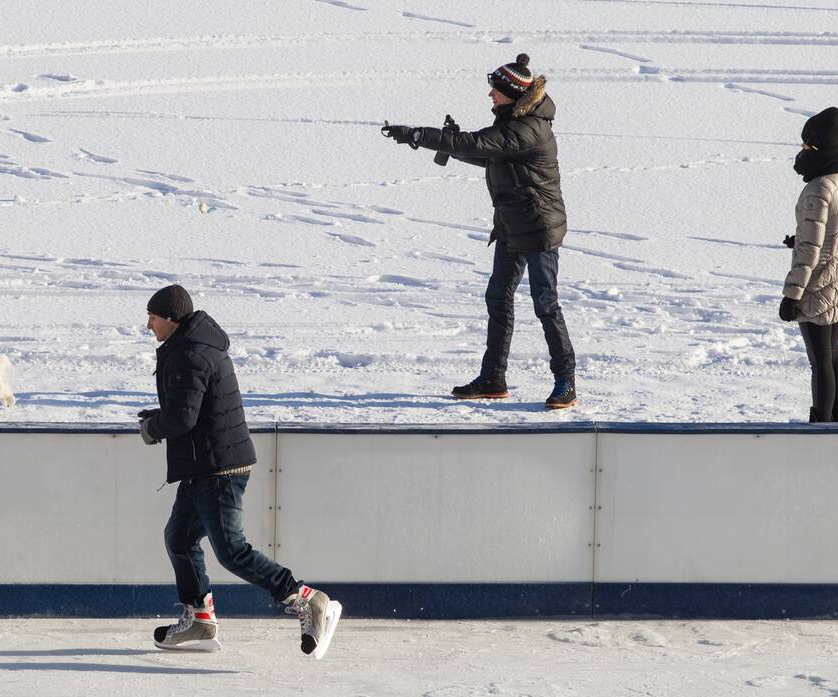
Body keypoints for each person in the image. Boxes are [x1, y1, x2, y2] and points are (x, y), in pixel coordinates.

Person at [139, 284, 341, 657]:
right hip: (206, 463)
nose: (148, 324)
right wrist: (158, 419)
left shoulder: (191, 353)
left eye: (152, 317)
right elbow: (191, 409)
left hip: (217, 468)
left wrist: (153, 428)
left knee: (231, 550)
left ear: (169, 319)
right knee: (179, 538)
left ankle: (306, 599)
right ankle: (200, 619)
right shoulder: (192, 346)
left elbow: (183, 418)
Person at [383, 53, 577, 409]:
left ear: (512, 94)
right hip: (511, 226)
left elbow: (481, 145)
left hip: (538, 227)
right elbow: (488, 152)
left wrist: (420, 136)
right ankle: (493, 378)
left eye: (495, 90)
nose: (489, 95)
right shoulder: (514, 122)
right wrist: (448, 145)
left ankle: (566, 381)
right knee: (498, 298)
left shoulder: (528, 127)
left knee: (545, 303)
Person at [779, 107, 838, 422]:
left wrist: (792, 296)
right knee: (832, 354)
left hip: (818, 282)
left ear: (821, 147)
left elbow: (810, 251)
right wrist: (824, 237)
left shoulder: (817, 189)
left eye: (808, 146)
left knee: (819, 359)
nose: (803, 150)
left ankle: (822, 428)